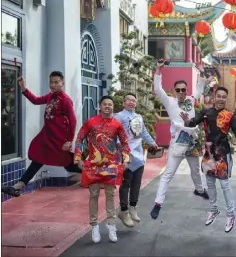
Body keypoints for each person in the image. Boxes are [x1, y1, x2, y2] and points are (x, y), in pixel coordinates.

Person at [181, 87, 236, 233]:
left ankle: (230, 214)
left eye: (224, 97)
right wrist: (187, 122)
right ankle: (213, 210)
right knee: (209, 183)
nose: (221, 99)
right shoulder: (205, 112)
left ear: (225, 99)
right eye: (219, 96)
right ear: (214, 97)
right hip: (209, 154)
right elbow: (193, 122)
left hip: (222, 154)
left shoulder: (229, 116)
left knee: (224, 185)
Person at [2, 71, 79, 197]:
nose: (53, 85)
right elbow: (36, 100)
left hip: (59, 140)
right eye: (51, 82)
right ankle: (18, 186)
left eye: (56, 82)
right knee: (38, 159)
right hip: (47, 137)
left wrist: (69, 140)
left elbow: (73, 121)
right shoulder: (50, 96)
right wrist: (23, 88)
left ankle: (96, 174)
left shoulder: (65, 100)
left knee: (69, 165)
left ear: (62, 83)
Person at [150, 59, 208, 220]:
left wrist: (202, 75)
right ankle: (158, 204)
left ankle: (200, 190)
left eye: (184, 89)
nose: (182, 92)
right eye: (178, 90)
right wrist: (158, 71)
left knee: (195, 171)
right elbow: (158, 89)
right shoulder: (170, 102)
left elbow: (199, 88)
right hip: (178, 142)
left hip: (192, 140)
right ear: (174, 91)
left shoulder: (190, 99)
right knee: (168, 174)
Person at [74, 96, 130, 244]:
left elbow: (124, 142)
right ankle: (94, 226)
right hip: (93, 165)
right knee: (94, 195)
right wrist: (78, 158)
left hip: (111, 165)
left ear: (113, 107)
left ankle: (111, 225)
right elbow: (79, 139)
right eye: (104, 104)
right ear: (100, 106)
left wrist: (126, 159)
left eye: (110, 105)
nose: (107, 107)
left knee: (111, 195)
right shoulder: (90, 122)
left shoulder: (117, 124)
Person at [114, 93, 158, 228]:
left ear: (136, 103)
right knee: (126, 183)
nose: (131, 102)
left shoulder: (138, 117)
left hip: (138, 154)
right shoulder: (118, 117)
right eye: (128, 100)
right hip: (126, 154)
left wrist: (153, 143)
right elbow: (115, 135)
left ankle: (133, 207)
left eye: (133, 100)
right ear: (123, 102)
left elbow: (144, 132)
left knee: (136, 183)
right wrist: (120, 149)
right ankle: (124, 210)